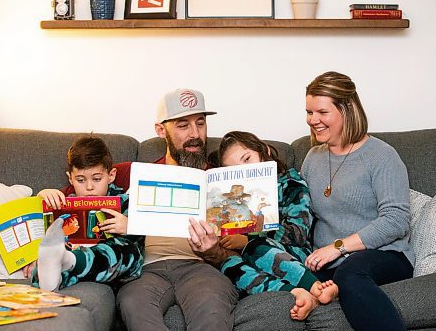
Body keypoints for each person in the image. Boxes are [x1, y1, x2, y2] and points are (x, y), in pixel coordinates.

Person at [116, 89, 238, 331]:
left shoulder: (222, 180)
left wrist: (215, 250)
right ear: (161, 130)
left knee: (212, 312)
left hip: (201, 268)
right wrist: (50, 195)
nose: (195, 134)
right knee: (133, 304)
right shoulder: (133, 173)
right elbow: (83, 188)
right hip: (147, 270)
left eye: (200, 123)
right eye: (183, 125)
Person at [301, 71, 414, 331]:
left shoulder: (381, 155)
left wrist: (338, 247)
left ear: (347, 110)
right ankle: (330, 291)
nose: (313, 120)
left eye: (322, 112)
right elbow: (303, 215)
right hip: (329, 263)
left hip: (384, 254)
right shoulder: (312, 158)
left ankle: (339, 288)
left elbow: (396, 220)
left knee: (350, 275)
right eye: (309, 112)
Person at [190, 131, 338, 320]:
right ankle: (295, 292)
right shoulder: (238, 199)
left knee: (255, 246)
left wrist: (246, 240)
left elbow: (297, 234)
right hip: (249, 258)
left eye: (247, 159)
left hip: (292, 254)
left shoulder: (291, 184)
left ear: (264, 151)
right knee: (229, 265)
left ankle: (314, 286)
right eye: (235, 170)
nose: (244, 171)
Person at [30, 135, 144, 291]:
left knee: (130, 251)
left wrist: (130, 226)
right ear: (70, 179)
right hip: (74, 252)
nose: (89, 187)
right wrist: (42, 197)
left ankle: (69, 262)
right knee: (50, 256)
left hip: (113, 265)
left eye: (97, 179)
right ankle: (50, 275)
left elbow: (144, 236)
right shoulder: (65, 202)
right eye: (81, 180)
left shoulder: (124, 201)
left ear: (111, 176)